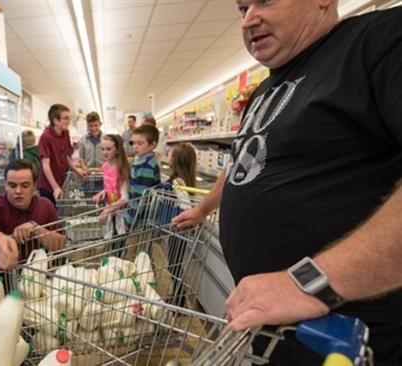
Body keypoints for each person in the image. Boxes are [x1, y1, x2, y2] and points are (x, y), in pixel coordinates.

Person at [173, 1, 402, 364]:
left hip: (352, 342)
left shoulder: (380, 40)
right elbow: (239, 168)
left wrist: (310, 283)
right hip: (279, 331)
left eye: (264, 0)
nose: (248, 18)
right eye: (242, 7)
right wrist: (203, 208)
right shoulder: (264, 91)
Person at [0, 159, 66, 272]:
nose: (18, 191)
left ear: (35, 186)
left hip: (34, 282)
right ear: (5, 185)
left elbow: (60, 244)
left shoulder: (45, 205)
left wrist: (36, 229)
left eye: (25, 185)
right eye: (12, 185)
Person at [37, 104, 87, 205]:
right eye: (65, 118)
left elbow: (66, 157)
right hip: (48, 185)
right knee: (51, 214)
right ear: (55, 121)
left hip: (61, 181)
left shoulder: (65, 133)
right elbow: (45, 164)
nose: (68, 121)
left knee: (60, 212)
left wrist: (77, 170)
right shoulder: (46, 137)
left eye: (69, 118)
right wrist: (55, 187)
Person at [92, 134, 130, 235]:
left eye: (108, 149)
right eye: (102, 149)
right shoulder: (105, 166)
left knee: (120, 239)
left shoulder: (121, 169)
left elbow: (125, 197)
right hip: (110, 210)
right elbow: (110, 186)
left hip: (121, 213)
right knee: (110, 238)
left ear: (117, 150)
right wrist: (102, 192)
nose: (105, 152)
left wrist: (107, 210)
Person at [129, 125, 161, 202]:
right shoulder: (143, 160)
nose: (135, 147)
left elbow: (140, 196)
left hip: (139, 211)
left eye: (139, 143)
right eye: (133, 143)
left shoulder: (146, 165)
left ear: (152, 145)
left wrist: (130, 212)